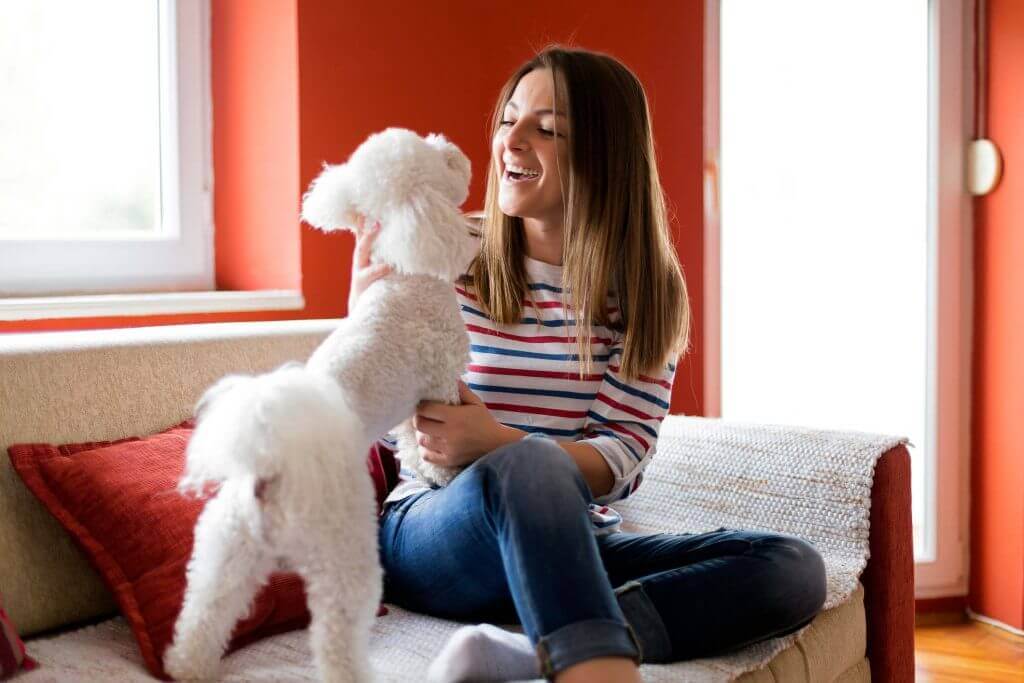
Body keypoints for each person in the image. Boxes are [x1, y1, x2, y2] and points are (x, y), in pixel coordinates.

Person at [349, 46, 827, 683]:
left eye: (547, 130)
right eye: (508, 120)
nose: (511, 141)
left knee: (790, 568)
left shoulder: (646, 290)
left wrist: (501, 441)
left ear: (604, 156)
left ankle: (537, 651)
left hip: (570, 543)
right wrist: (365, 316)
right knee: (529, 464)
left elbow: (623, 457)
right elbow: (372, 414)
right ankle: (596, 668)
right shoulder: (444, 252)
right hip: (436, 534)